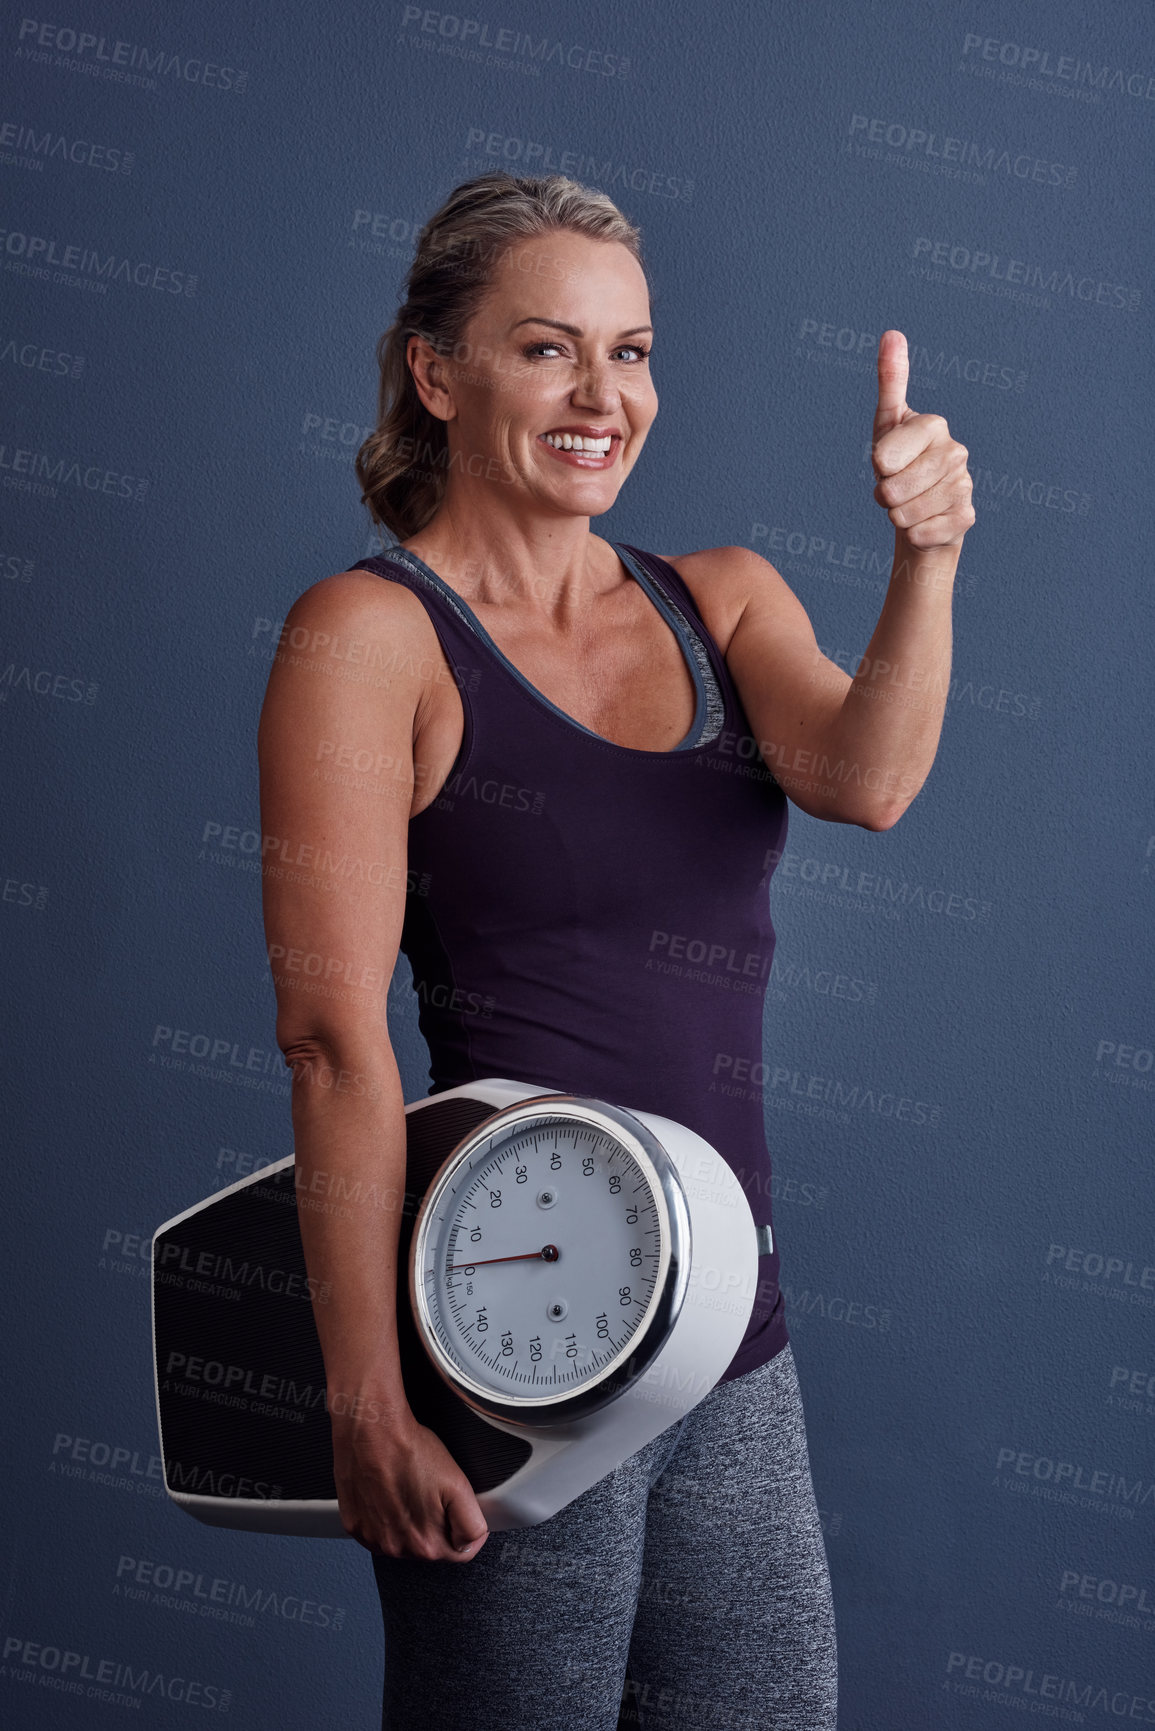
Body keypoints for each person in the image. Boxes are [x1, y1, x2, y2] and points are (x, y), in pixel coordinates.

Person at [257, 172, 974, 1731]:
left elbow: (871, 778)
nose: (603, 397)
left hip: (734, 1341)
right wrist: (364, 1399)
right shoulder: (369, 640)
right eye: (547, 350)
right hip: (508, 1355)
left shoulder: (718, 600)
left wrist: (927, 556)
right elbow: (332, 1043)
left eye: (632, 353)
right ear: (435, 374)